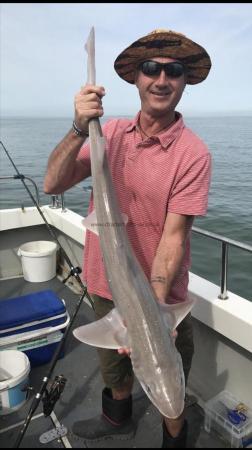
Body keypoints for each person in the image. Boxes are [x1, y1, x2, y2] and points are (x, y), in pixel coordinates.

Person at [44, 29, 212, 448]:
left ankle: (174, 437)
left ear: (184, 81)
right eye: (151, 69)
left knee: (171, 387)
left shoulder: (193, 154)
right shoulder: (112, 133)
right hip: (104, 282)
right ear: (136, 78)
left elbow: (173, 239)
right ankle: (117, 419)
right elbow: (52, 183)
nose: (162, 79)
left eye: (173, 71)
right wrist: (80, 127)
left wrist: (155, 309)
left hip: (163, 294)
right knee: (114, 372)